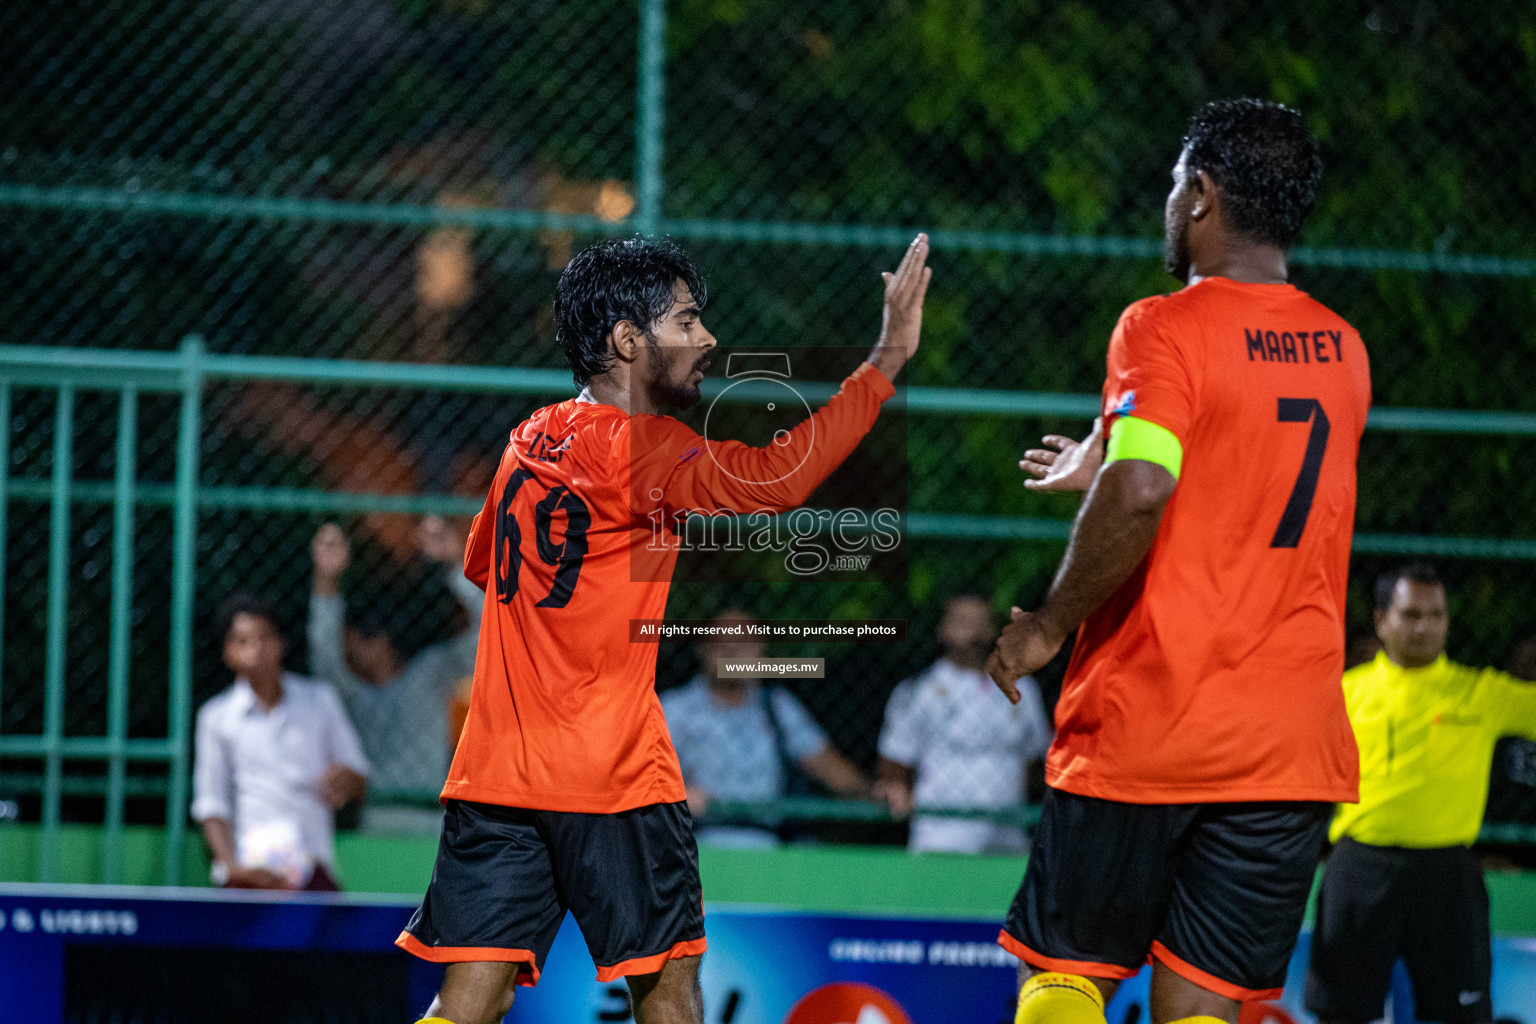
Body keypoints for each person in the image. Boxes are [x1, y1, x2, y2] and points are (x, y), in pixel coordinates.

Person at [398, 233, 930, 1024]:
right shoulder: (646, 446)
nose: (707, 338)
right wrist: (881, 364)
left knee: (464, 1005)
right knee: (669, 996)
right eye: (685, 322)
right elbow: (776, 479)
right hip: (611, 776)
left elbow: (485, 566)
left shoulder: (527, 440)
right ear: (625, 340)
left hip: (497, 776)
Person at [985, 99, 1371, 1024]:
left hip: (1152, 717)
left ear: (1201, 193)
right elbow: (1227, 491)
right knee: (1202, 1012)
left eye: (1172, 184)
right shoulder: (1344, 350)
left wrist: (1045, 625)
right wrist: (1113, 466)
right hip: (1286, 745)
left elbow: (1147, 489)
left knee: (1066, 980)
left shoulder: (1163, 327)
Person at [1304, 565, 1536, 1024]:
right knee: (1338, 1015)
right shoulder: (1343, 694)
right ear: (1380, 620)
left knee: (1463, 1016)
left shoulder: (1481, 693)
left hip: (1448, 877)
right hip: (1359, 869)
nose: (1424, 627)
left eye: (1436, 615)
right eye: (1410, 615)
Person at [309, 516, 481, 832]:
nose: (348, 653)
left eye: (355, 642)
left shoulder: (430, 673)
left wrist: (457, 564)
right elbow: (325, 658)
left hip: (431, 819)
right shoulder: (354, 696)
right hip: (375, 819)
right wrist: (326, 580)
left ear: (379, 641)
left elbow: (488, 638)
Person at [191, 593, 370, 891]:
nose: (256, 649)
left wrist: (345, 780)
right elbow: (211, 805)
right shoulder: (216, 718)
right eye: (243, 641)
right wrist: (235, 868)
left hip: (313, 869)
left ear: (280, 643)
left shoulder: (320, 701)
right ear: (228, 652)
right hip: (249, 873)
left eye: (264, 637)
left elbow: (357, 775)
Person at [661, 610, 871, 849]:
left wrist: (875, 794)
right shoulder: (672, 709)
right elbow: (637, 771)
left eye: (743, 644)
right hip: (696, 843)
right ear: (702, 649)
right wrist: (674, 791)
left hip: (767, 848)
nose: (732, 653)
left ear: (760, 651)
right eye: (722, 644)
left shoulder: (778, 706)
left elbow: (827, 765)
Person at [875, 595, 1052, 855]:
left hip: (1007, 838)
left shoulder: (1023, 688)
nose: (973, 630)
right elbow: (895, 761)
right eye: (962, 621)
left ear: (994, 629)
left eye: (981, 622)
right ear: (942, 630)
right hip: (941, 839)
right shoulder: (917, 691)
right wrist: (895, 788)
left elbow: (1038, 759)